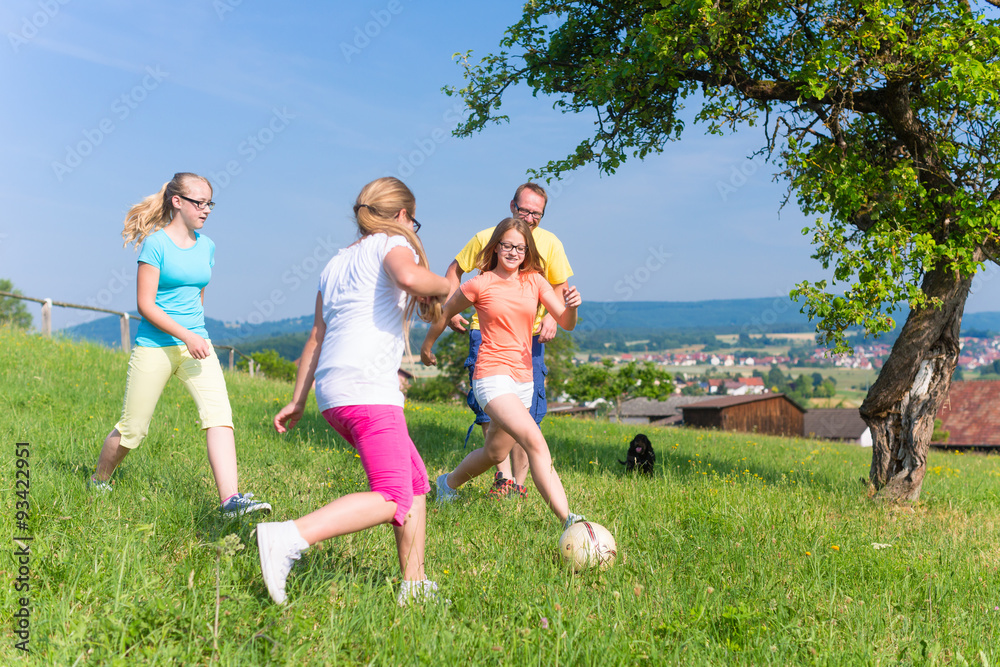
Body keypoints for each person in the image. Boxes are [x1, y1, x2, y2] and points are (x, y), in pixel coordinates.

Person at [256, 177, 450, 607]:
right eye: (413, 220)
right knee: (392, 495)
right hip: (368, 390)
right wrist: (448, 287)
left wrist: (298, 399)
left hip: (335, 392)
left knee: (416, 483)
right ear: (401, 216)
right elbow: (410, 277)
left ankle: (414, 585)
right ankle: (288, 536)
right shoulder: (389, 246)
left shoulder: (336, 263)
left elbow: (315, 337)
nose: (414, 229)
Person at [89, 172, 271, 518]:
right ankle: (99, 479)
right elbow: (146, 304)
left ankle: (230, 501)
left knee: (219, 417)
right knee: (133, 429)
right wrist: (185, 334)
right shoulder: (156, 244)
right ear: (177, 202)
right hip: (155, 346)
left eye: (209, 203)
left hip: (196, 345)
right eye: (199, 203)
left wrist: (194, 333)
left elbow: (197, 297)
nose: (206, 210)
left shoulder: (208, 246)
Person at [423, 217, 585, 531]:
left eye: (520, 248)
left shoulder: (536, 281)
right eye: (507, 245)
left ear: (527, 252)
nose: (513, 252)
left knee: (495, 450)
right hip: (491, 376)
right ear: (496, 247)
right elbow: (445, 313)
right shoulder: (479, 284)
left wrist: (573, 306)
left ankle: (446, 484)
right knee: (535, 442)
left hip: (524, 379)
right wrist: (428, 345)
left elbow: (566, 322)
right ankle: (569, 520)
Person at [444, 183, 572, 499]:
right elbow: (455, 270)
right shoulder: (487, 237)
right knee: (492, 414)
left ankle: (518, 482)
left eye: (537, 213)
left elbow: (560, 286)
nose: (529, 218)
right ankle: (503, 479)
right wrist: (450, 311)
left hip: (529, 338)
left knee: (528, 420)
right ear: (512, 206)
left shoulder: (550, 243)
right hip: (485, 334)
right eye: (524, 210)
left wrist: (552, 317)